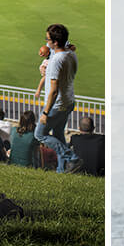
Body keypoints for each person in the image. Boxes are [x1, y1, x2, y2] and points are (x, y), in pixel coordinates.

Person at [34, 24, 83, 175]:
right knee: (58, 134)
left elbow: (54, 91)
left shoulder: (56, 61)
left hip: (57, 105)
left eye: (48, 39)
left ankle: (72, 158)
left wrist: (45, 112)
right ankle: (62, 170)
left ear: (55, 42)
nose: (46, 42)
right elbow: (68, 48)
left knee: (40, 134)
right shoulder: (70, 54)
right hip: (68, 101)